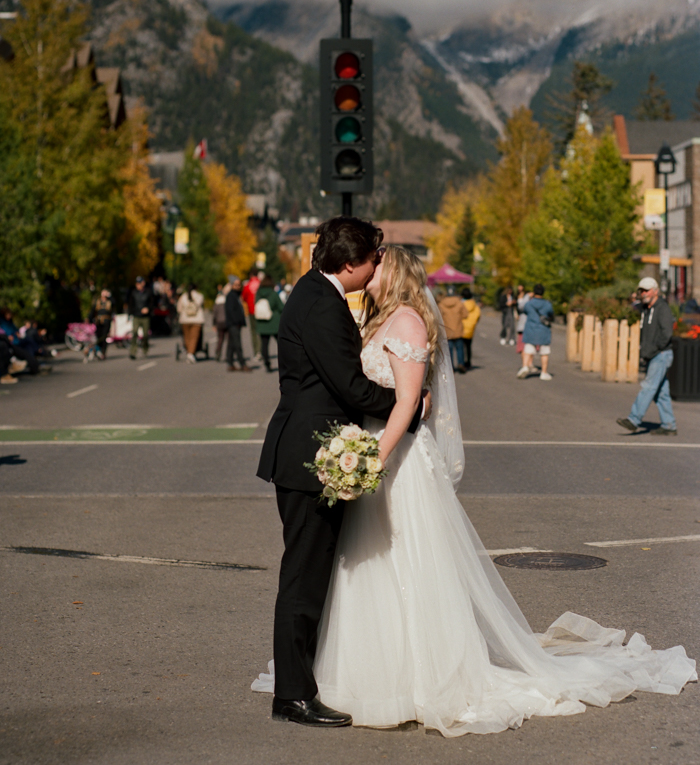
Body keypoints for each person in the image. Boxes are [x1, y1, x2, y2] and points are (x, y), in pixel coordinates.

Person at [253, 246, 696, 734]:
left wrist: (374, 462)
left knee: (405, 564)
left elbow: (406, 404)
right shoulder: (376, 320)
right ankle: (357, 671)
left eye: (378, 265)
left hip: (395, 462)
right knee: (363, 569)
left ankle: (416, 677)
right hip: (370, 450)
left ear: (392, 272)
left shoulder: (408, 323)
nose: (370, 272)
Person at [256, 217, 428, 728]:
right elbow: (351, 388)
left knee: (308, 573)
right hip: (311, 456)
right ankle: (292, 695)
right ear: (350, 264)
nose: (378, 265)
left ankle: (300, 681)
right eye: (373, 258)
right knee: (304, 577)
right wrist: (409, 407)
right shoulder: (323, 306)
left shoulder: (314, 292)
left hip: (307, 450)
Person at [617, 277, 677, 435]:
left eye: (647, 290)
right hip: (654, 354)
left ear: (656, 291)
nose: (644, 293)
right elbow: (632, 307)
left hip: (661, 354)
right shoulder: (645, 308)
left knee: (649, 387)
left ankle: (634, 419)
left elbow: (667, 333)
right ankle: (669, 425)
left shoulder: (662, 308)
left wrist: (654, 349)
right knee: (661, 393)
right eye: (641, 290)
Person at [517, 283, 554, 380]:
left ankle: (525, 366)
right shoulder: (547, 304)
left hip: (530, 329)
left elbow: (523, 310)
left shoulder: (529, 304)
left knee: (528, 350)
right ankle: (544, 372)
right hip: (543, 330)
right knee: (544, 352)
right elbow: (551, 314)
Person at [254, 274, 285, 373]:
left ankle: (267, 363)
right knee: (281, 344)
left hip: (262, 323)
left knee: (264, 345)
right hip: (274, 323)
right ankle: (284, 363)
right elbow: (281, 307)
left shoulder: (258, 293)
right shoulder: (273, 293)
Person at [437, 286, 466, 373]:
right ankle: (461, 363)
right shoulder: (459, 303)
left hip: (448, 331)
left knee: (449, 351)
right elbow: (465, 314)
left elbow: (439, 317)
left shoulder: (441, 304)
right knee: (460, 348)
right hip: (458, 329)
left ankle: (451, 367)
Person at [225, 278, 250, 372]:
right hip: (233, 324)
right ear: (232, 285)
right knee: (237, 344)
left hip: (235, 324)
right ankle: (242, 363)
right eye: (236, 285)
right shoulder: (231, 296)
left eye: (239, 285)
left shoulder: (236, 295)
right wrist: (237, 322)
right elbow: (231, 311)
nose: (238, 287)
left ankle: (230, 362)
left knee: (231, 344)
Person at [176, 283, 205, 364]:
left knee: (187, 338)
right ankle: (191, 354)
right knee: (194, 338)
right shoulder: (199, 296)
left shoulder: (183, 297)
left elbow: (179, 309)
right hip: (197, 320)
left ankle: (189, 352)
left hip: (185, 320)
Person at [128, 276, 153, 359]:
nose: (138, 285)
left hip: (145, 317)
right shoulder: (133, 293)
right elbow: (130, 304)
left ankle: (145, 348)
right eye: (137, 283)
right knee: (134, 333)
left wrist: (148, 309)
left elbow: (152, 303)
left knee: (145, 335)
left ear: (143, 283)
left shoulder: (148, 292)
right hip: (136, 316)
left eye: (139, 283)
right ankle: (133, 352)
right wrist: (130, 314)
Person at [241, 270, 262, 361]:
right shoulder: (261, 284)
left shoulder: (248, 285)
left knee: (253, 332)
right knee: (261, 332)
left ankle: (256, 352)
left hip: (251, 310)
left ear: (250, 275)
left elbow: (244, 297)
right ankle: (262, 351)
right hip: (261, 311)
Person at [89, 289, 113, 360]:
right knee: (98, 337)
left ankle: (103, 353)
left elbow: (114, 303)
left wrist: (109, 296)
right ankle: (98, 352)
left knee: (104, 338)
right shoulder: (98, 301)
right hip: (98, 322)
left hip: (106, 322)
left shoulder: (110, 301)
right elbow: (93, 310)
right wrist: (89, 318)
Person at [460, 287, 480, 370]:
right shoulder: (474, 305)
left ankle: (461, 363)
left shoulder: (460, 304)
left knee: (460, 347)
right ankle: (468, 362)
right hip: (470, 329)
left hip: (461, 328)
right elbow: (478, 315)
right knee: (468, 347)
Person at [212, 284, 229, 361]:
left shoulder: (216, 304)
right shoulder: (226, 303)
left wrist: (214, 324)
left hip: (219, 323)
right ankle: (228, 354)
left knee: (220, 339)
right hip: (227, 322)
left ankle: (218, 353)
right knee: (228, 339)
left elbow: (214, 315)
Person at [515, 284, 530, 354]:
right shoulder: (517, 294)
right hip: (520, 317)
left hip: (525, 318)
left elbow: (522, 306)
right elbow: (517, 307)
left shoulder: (526, 296)